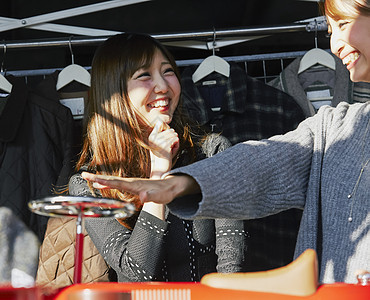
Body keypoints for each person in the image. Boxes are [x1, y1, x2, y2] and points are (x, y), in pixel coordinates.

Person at [82, 0, 370, 284]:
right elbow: (263, 164)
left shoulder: (211, 148)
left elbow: (232, 263)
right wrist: (169, 182)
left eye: (343, 24)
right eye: (331, 31)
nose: (334, 45)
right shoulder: (334, 126)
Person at [60, 33, 245, 282]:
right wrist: (159, 171)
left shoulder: (212, 153)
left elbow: (232, 266)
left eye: (168, 71)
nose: (163, 86)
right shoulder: (90, 184)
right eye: (144, 75)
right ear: (114, 91)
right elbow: (137, 273)